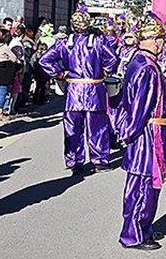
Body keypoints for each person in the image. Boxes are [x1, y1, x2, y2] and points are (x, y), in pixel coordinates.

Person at [115, 13, 166, 250]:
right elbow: (139, 106)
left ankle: (144, 227)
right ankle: (134, 234)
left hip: (150, 131)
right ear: (152, 40)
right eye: (160, 39)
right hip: (147, 135)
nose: (162, 44)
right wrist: (128, 133)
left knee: (148, 185)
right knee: (142, 186)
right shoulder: (147, 68)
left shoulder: (140, 62)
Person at [38, 11, 118, 174]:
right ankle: (100, 161)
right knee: (97, 128)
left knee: (72, 129)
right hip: (94, 90)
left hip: (73, 91)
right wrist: (104, 72)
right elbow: (113, 59)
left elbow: (44, 60)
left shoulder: (64, 42)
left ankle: (74, 161)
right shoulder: (98, 41)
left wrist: (61, 73)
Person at [0, 25, 21, 122]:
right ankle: (0, 113)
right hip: (5, 71)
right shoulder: (4, 47)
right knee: (3, 92)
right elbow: (14, 58)